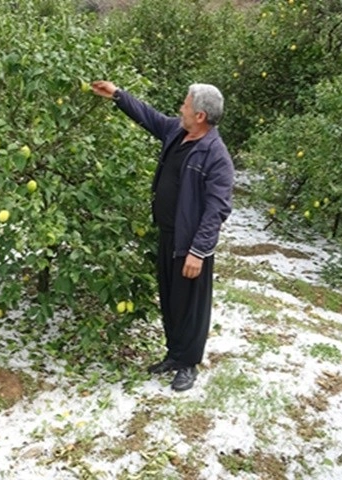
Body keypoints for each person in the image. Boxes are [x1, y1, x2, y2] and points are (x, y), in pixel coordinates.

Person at [91, 80, 234, 392]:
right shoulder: (177, 132)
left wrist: (198, 251)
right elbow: (149, 116)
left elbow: (217, 209)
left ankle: (188, 364)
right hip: (167, 234)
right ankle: (173, 354)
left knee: (190, 306)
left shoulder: (216, 155)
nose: (180, 109)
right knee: (170, 298)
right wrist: (117, 95)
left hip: (191, 243)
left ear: (199, 115)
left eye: (185, 105)